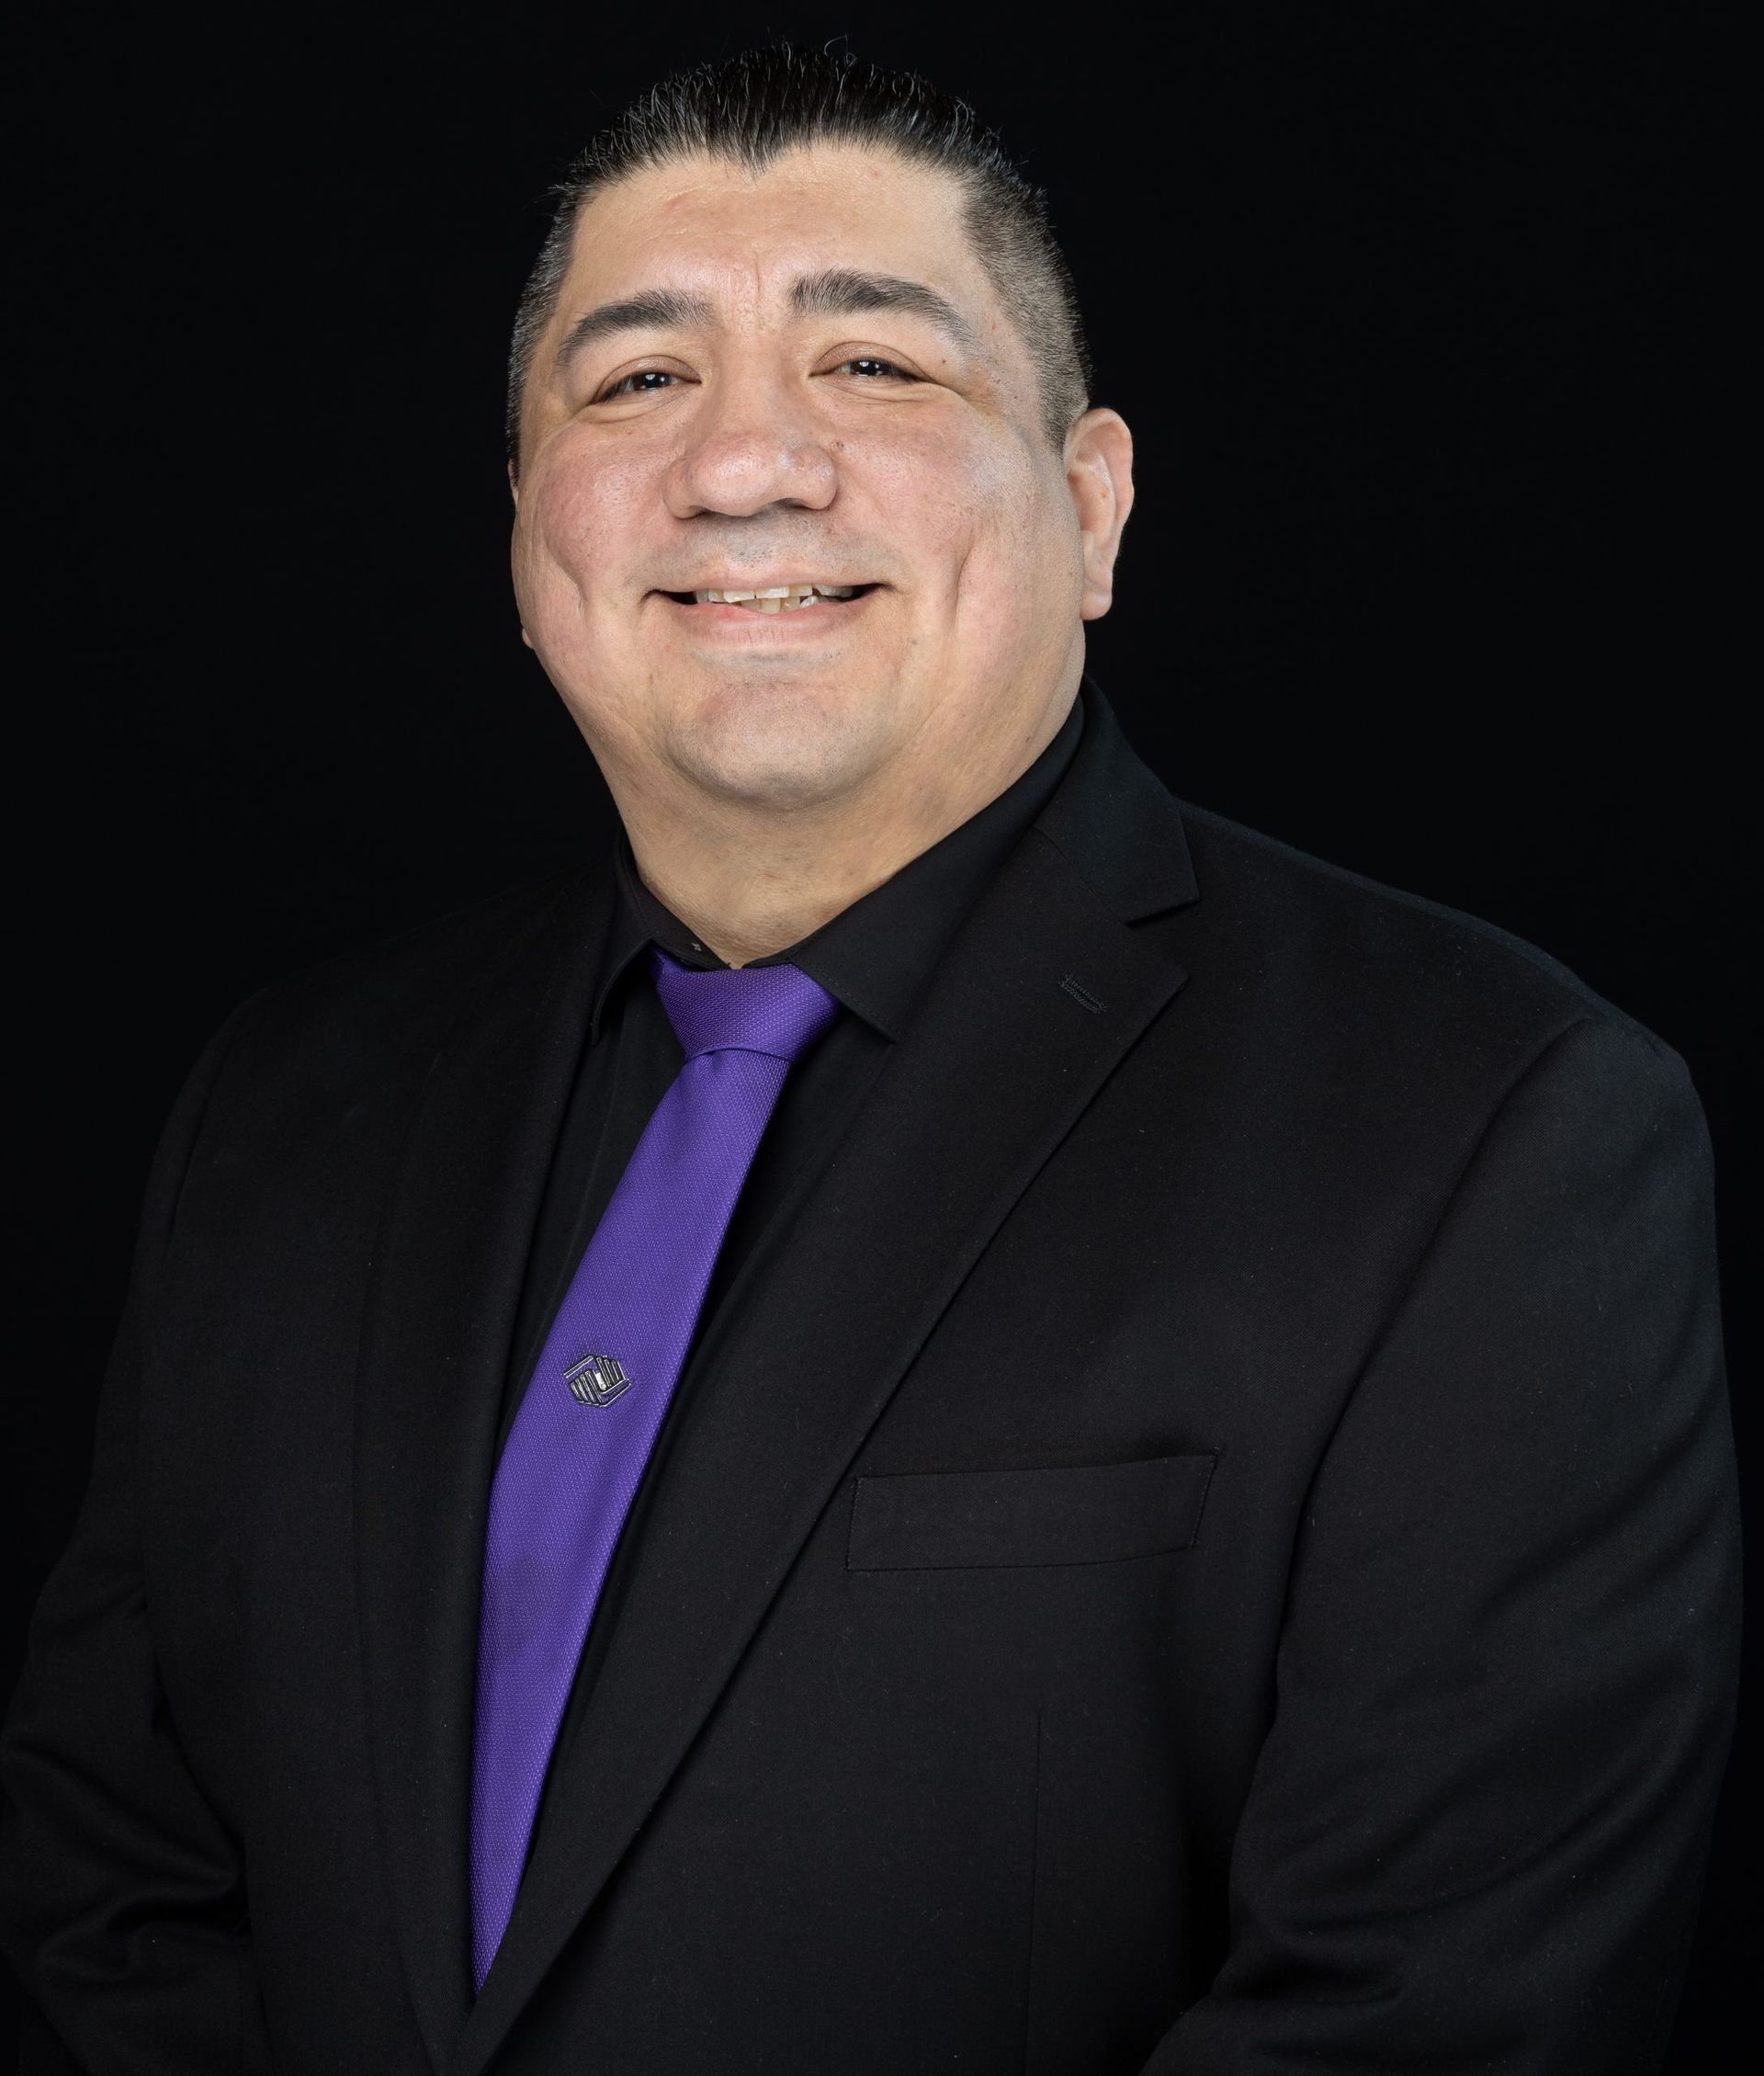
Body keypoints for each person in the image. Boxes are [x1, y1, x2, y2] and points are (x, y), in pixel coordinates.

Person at [0, 44, 1739, 2076]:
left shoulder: (1488, 1130)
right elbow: (109, 1890)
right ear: (521, 528)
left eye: (877, 371)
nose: (747, 465)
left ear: (1090, 506)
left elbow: (1429, 2019)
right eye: (638, 378)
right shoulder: (284, 1111)